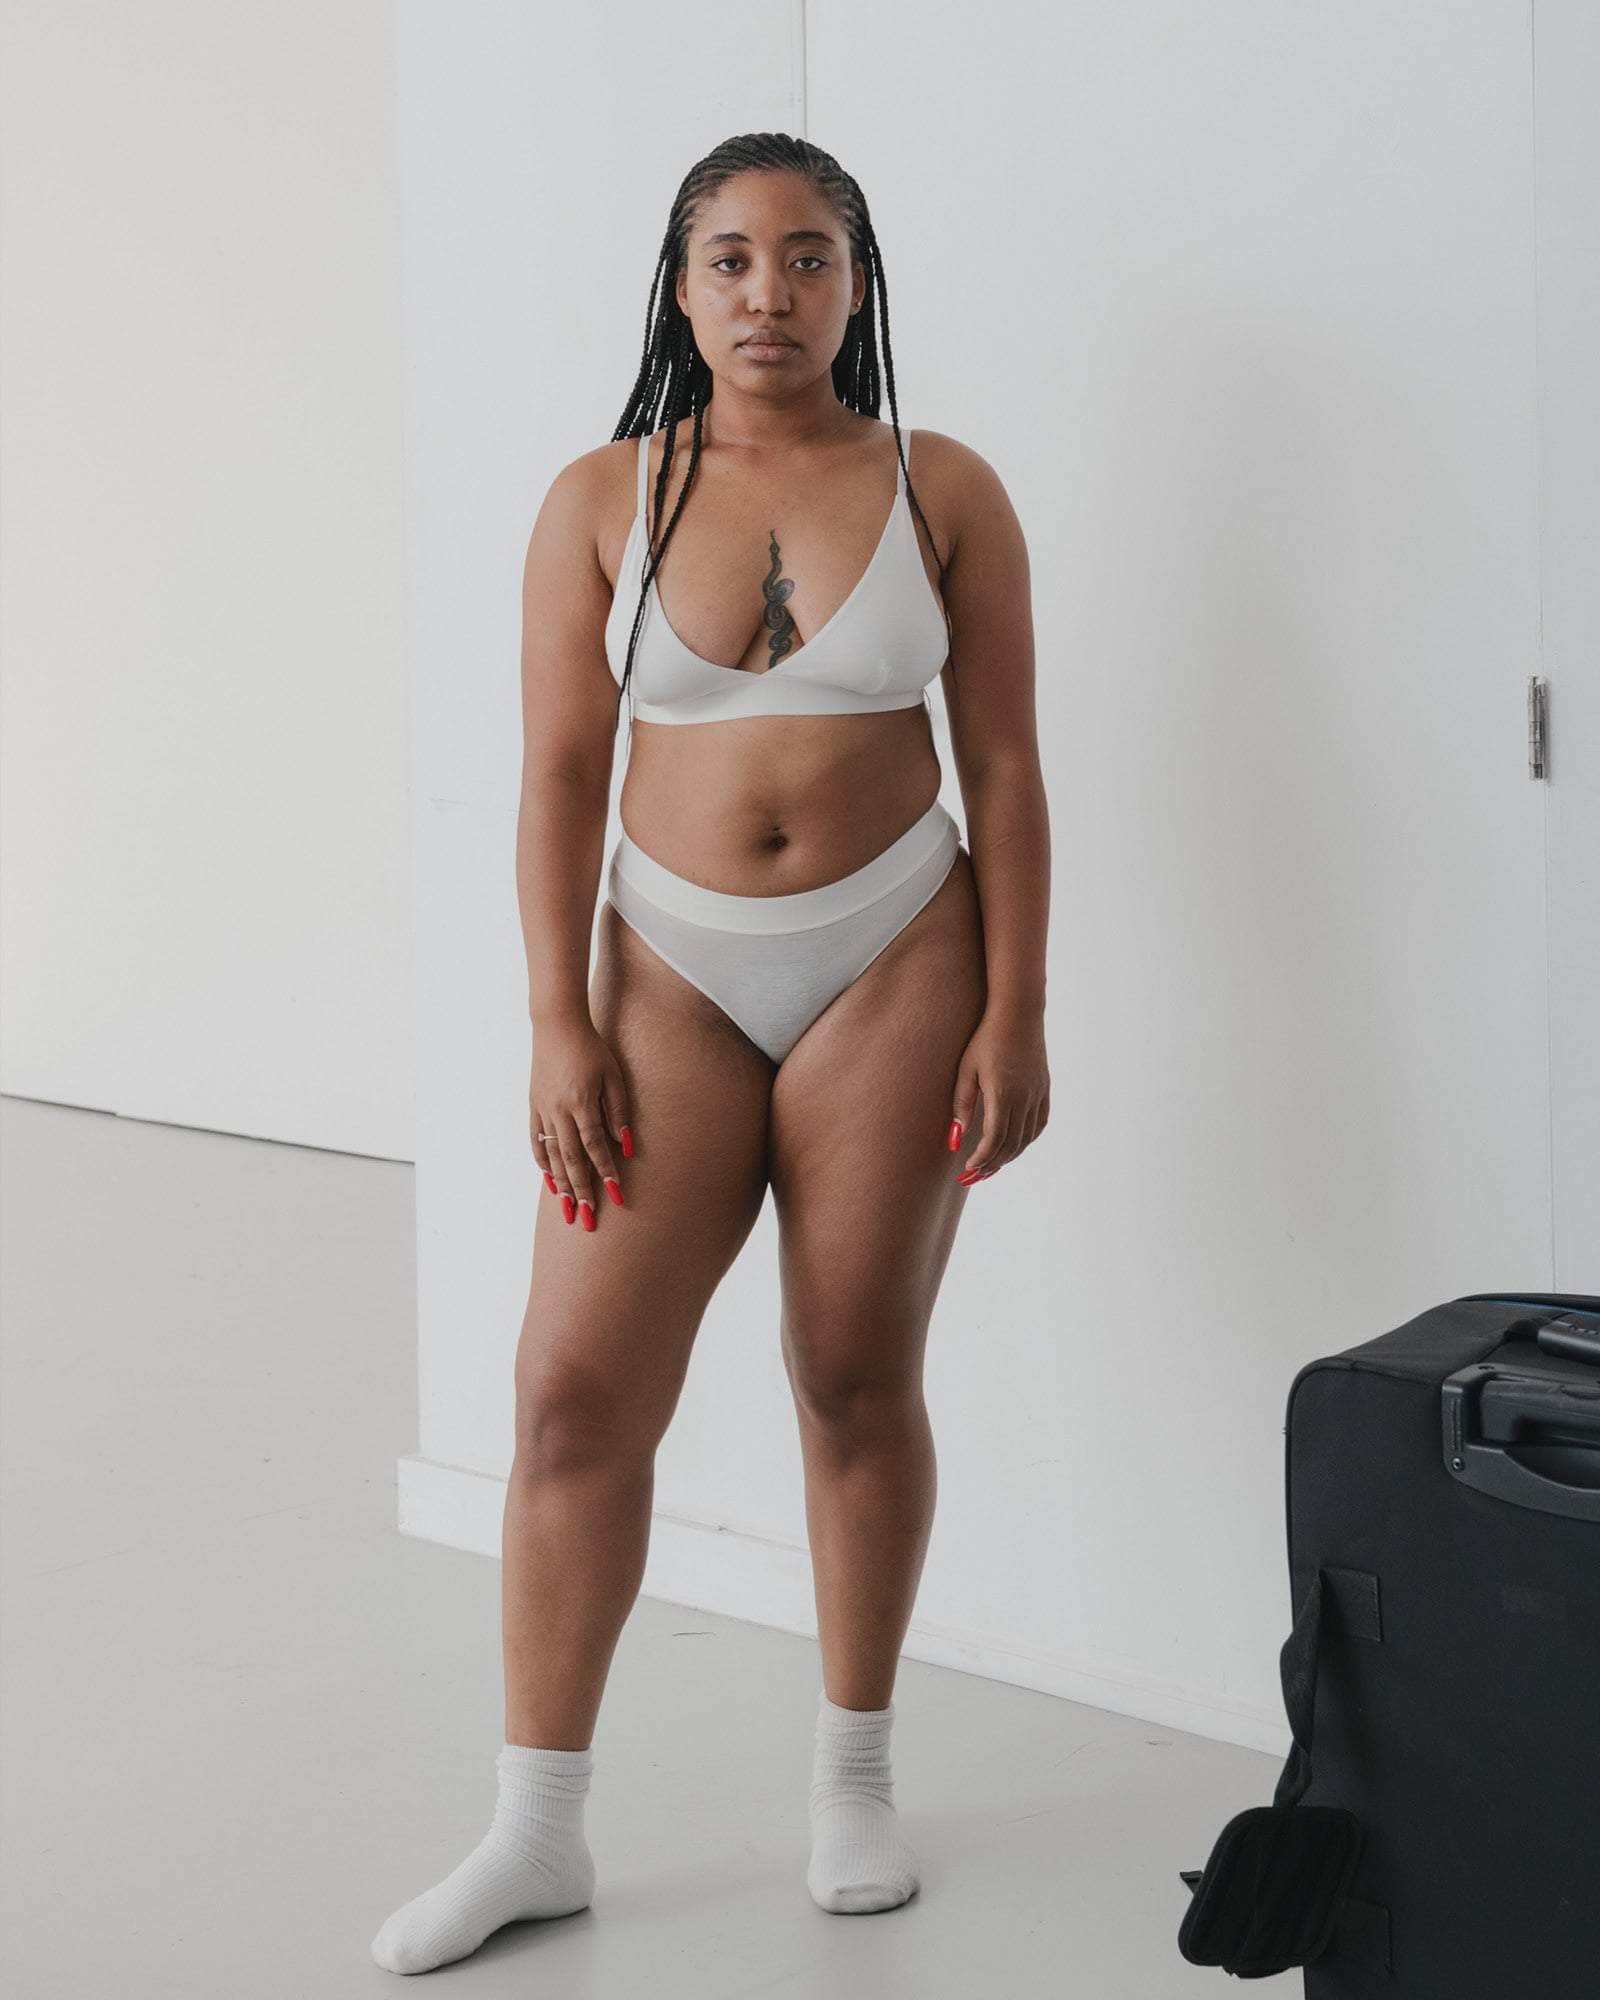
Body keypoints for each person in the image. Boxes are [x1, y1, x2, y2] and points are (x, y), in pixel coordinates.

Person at [372, 130, 1050, 1976]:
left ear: (856, 284)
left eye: (809, 257)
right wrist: (555, 1019)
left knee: (853, 1374)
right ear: (680, 288)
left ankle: (854, 1781)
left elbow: (1004, 770)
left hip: (896, 954)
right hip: (663, 972)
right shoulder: (600, 495)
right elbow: (555, 778)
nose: (771, 293)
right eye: (732, 259)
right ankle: (536, 1832)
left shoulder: (943, 485)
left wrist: (1017, 1006)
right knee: (570, 1402)